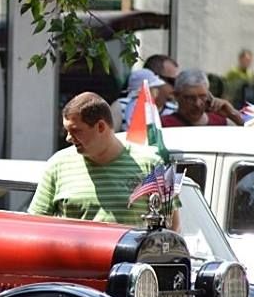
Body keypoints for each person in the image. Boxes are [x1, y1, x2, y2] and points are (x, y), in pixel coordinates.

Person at [29, 91, 180, 231]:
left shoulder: (152, 164)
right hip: (72, 259)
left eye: (76, 131)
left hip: (132, 259)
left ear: (101, 127)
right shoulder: (57, 165)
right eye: (67, 131)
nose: (68, 138)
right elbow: (35, 225)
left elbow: (172, 227)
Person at [161, 69, 243, 127]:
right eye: (190, 98)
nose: (197, 104)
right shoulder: (164, 125)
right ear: (176, 96)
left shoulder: (221, 123)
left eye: (203, 96)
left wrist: (232, 114)